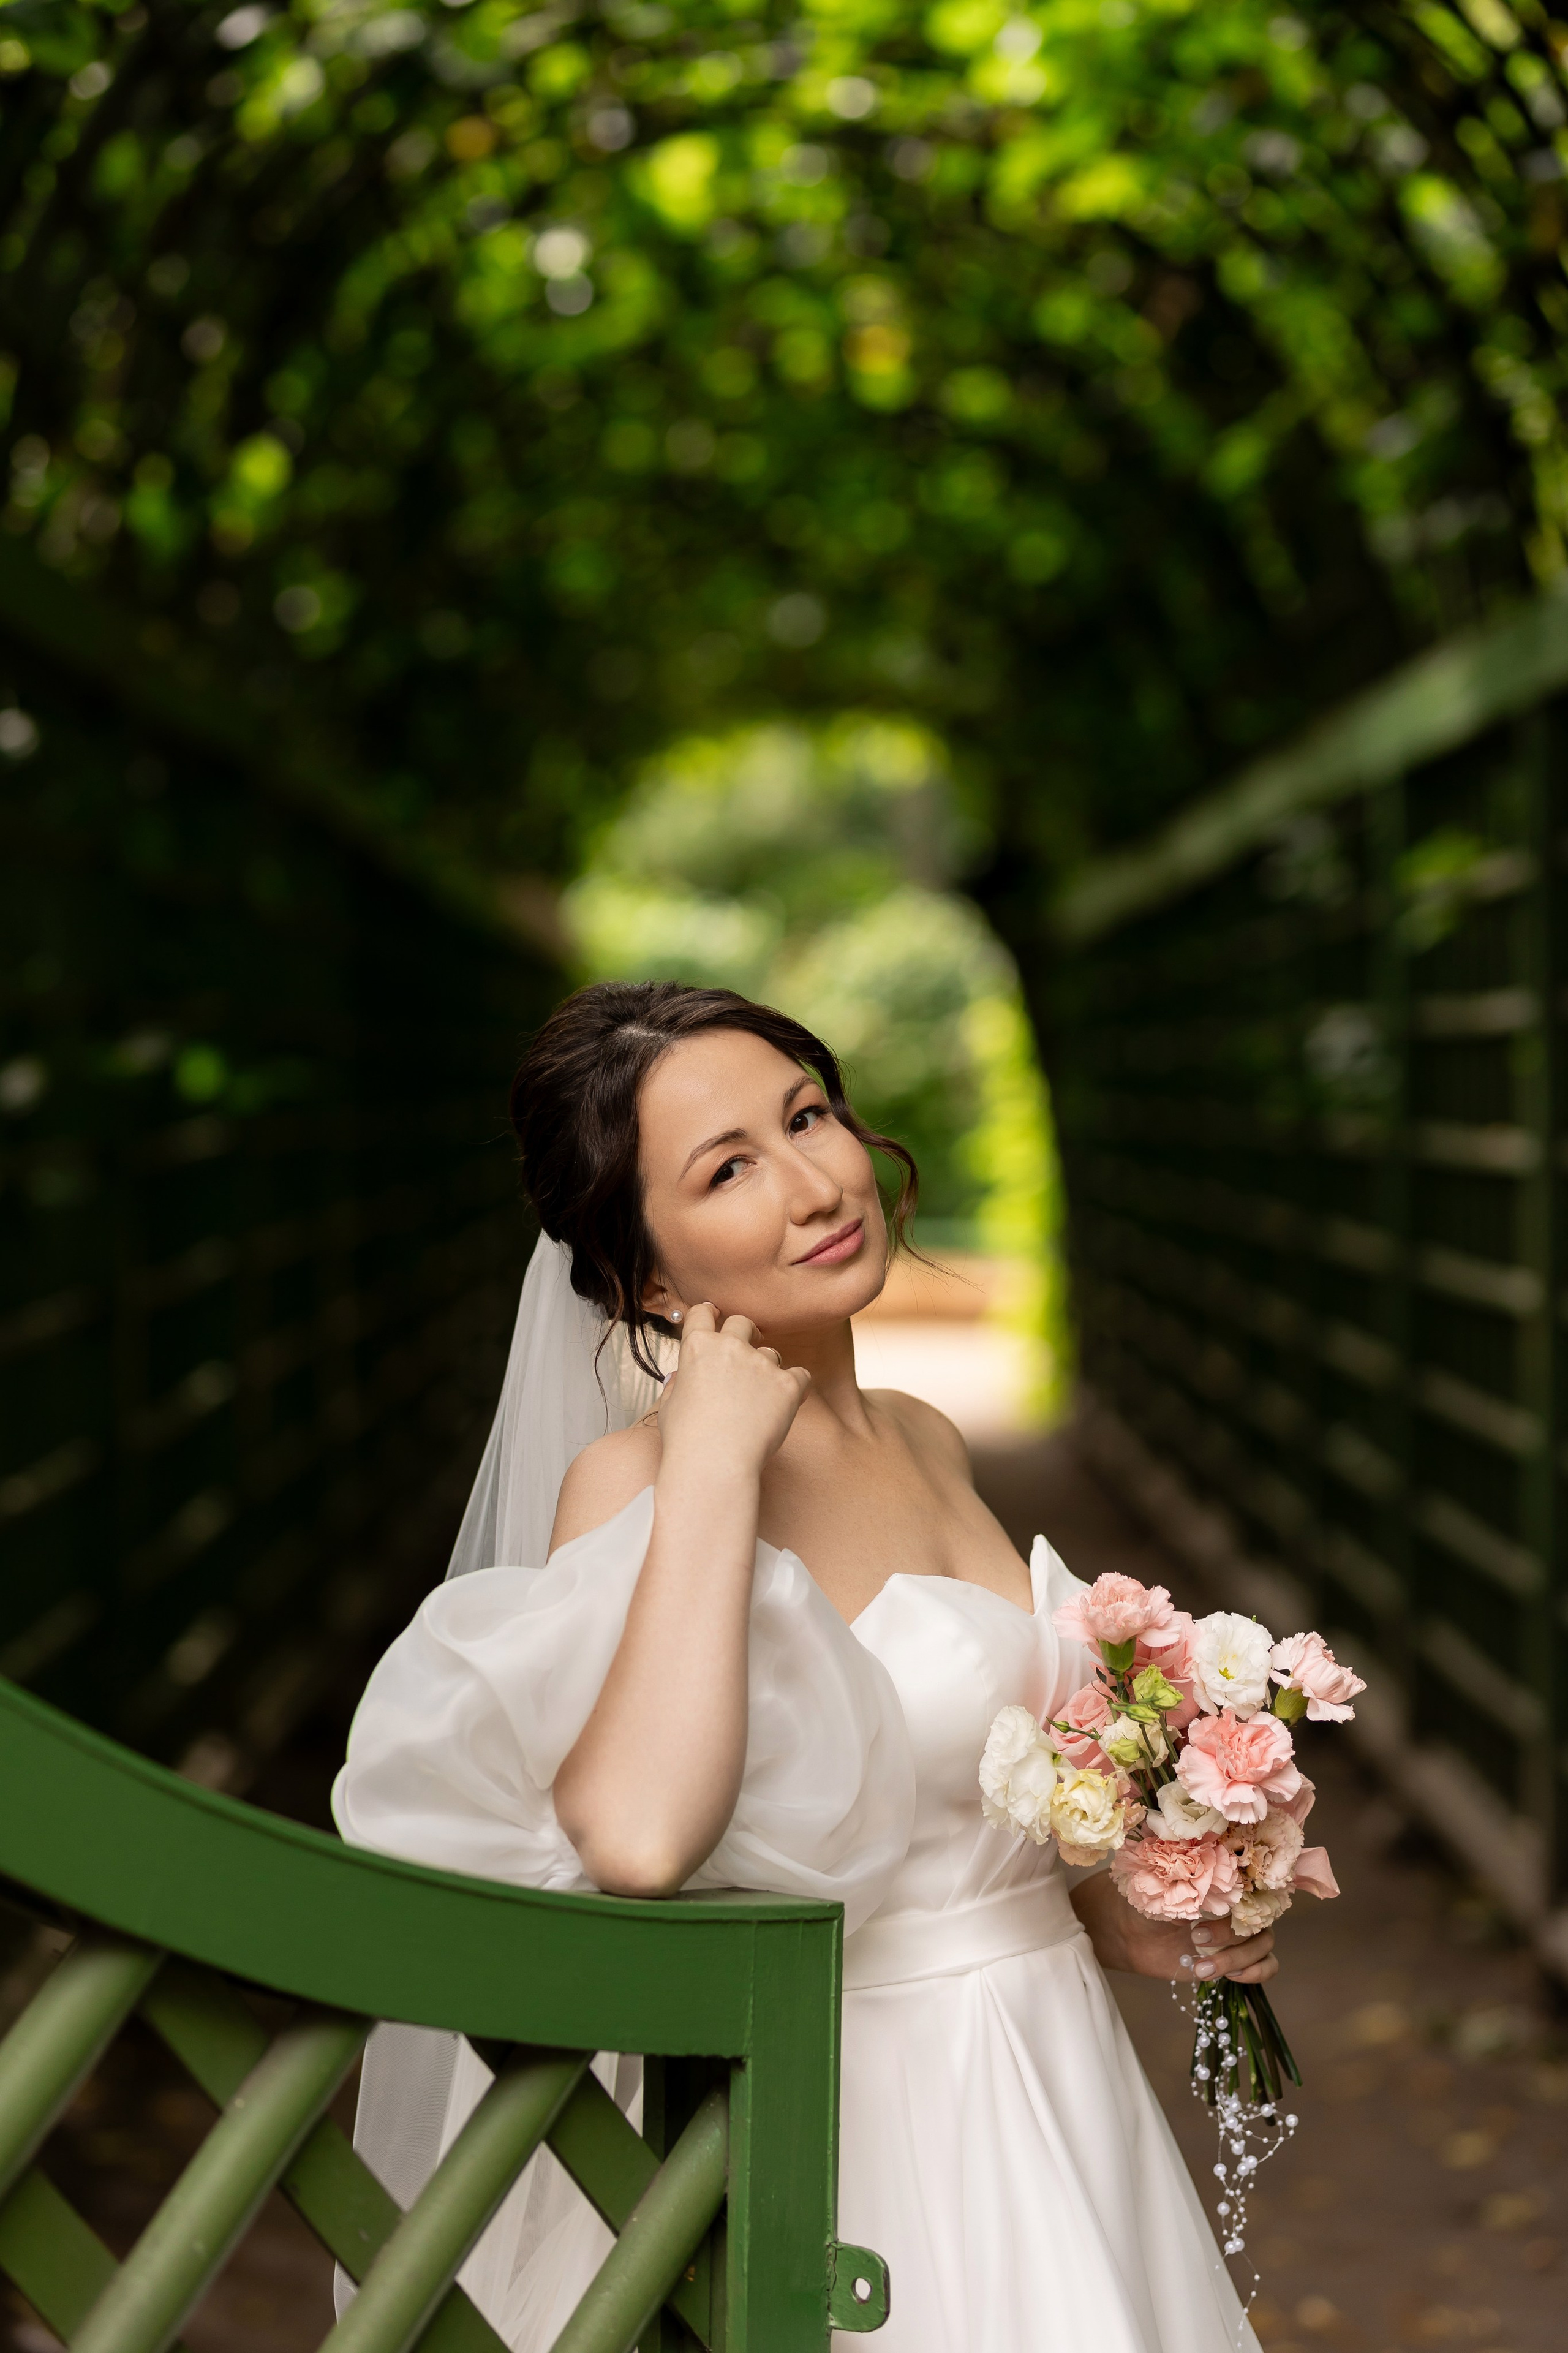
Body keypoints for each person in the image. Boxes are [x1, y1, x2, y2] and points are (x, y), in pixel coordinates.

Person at [333, 980, 1271, 2352]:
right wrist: (710, 1462)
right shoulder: (633, 1482)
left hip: (1057, 2080)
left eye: (807, 1115)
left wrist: (1112, 1916)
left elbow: (945, 1826)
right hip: (855, 2131)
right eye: (727, 1169)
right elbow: (638, 1843)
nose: (813, 1181)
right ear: (650, 1274)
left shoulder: (924, 1433)